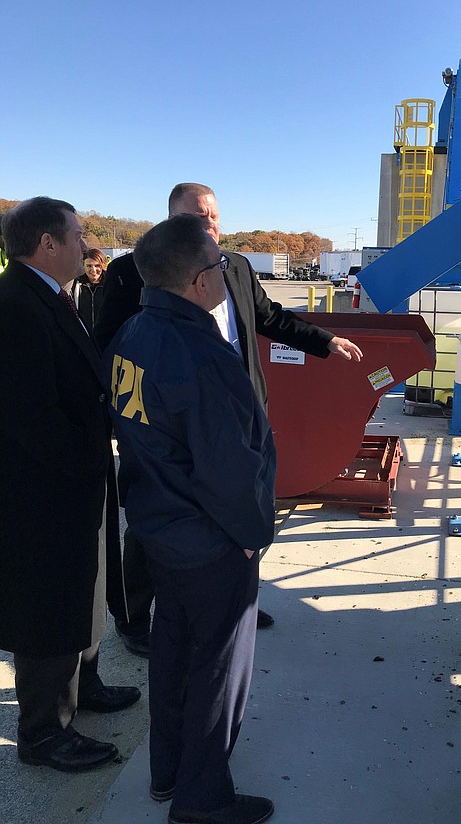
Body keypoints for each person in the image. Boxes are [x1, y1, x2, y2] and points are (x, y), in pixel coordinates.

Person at [95, 182, 363, 656]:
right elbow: (113, 344)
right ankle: (135, 615)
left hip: (234, 409)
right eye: (199, 218)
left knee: (243, 502)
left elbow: (269, 317)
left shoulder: (234, 266)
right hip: (168, 422)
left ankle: (237, 595)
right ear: (172, 220)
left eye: (214, 216)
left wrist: (324, 341)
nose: (210, 226)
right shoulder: (132, 270)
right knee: (158, 520)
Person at [106, 215, 276, 824]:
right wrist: (255, 535)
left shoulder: (132, 333)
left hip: (157, 530)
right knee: (218, 671)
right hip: (209, 541)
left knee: (175, 653)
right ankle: (202, 798)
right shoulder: (203, 355)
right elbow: (229, 467)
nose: (226, 278)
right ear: (201, 282)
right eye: (219, 267)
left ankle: (168, 771)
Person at [0, 197, 140, 774]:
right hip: (45, 491)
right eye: (78, 236)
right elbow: (29, 414)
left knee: (86, 587)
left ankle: (85, 686)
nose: (88, 245)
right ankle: (43, 732)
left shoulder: (50, 295)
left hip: (75, 479)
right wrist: (84, 459)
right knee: (49, 603)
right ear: (47, 244)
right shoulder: (15, 305)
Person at [72, 247, 107, 332]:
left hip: (105, 337)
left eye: (97, 266)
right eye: (89, 266)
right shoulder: (76, 285)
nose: (93, 270)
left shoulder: (109, 285)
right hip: (84, 336)